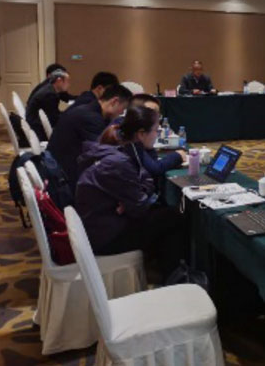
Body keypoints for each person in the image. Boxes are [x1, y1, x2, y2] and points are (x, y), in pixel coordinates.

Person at [75, 106, 186, 280]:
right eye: (155, 131)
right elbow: (140, 207)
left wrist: (132, 198)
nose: (157, 135)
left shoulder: (120, 148)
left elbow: (144, 181)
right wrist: (135, 198)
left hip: (100, 224)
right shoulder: (119, 162)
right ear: (141, 134)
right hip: (105, 236)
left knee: (163, 214)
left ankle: (164, 269)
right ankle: (173, 276)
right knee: (174, 216)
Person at [47, 84, 133, 191]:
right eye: (123, 109)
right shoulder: (90, 118)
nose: (121, 113)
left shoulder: (89, 110)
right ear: (114, 102)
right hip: (66, 179)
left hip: (62, 168)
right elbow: (104, 151)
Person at [102, 93, 186, 179]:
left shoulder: (130, 127)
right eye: (149, 112)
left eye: (157, 113)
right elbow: (155, 169)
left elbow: (152, 158)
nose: (154, 117)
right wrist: (177, 156)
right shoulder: (127, 136)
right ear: (138, 113)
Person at [25, 69, 70, 140]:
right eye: (67, 81)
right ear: (59, 81)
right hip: (38, 130)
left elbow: (53, 114)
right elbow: (53, 118)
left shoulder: (49, 89)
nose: (68, 85)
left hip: (36, 125)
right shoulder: (49, 95)